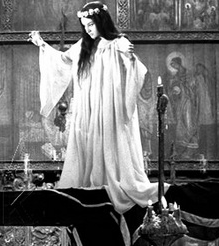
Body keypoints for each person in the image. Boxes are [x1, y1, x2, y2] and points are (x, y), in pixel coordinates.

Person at [30, 2, 160, 213]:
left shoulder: (117, 43)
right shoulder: (84, 45)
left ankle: (111, 181)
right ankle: (91, 181)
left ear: (101, 22)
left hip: (108, 109)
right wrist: (42, 45)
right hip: (87, 109)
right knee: (88, 144)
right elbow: (62, 60)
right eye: (85, 26)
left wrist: (130, 58)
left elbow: (136, 70)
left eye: (91, 24)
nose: (88, 29)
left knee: (108, 141)